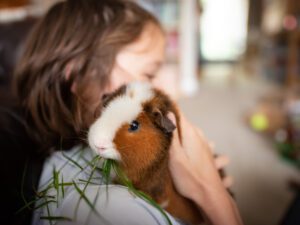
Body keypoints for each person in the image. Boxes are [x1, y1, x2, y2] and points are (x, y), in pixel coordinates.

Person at [13, 0, 243, 225]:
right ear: (79, 75)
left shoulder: (64, 160)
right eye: (149, 74)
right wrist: (214, 198)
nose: (163, 90)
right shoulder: (115, 211)